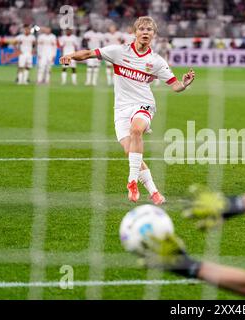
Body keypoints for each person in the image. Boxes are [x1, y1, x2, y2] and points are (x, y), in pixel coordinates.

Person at [59, 16, 195, 204]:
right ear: (135, 32)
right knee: (130, 151)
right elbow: (89, 54)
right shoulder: (118, 51)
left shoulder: (156, 61)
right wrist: (71, 56)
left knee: (136, 130)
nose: (145, 32)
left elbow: (175, 86)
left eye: (149, 30)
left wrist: (185, 84)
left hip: (144, 104)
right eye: (142, 29)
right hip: (121, 108)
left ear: (153, 35)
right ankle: (154, 191)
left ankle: (131, 181)